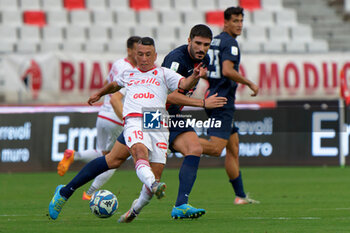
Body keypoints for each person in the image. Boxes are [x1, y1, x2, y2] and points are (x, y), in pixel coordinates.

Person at [48, 37, 208, 221]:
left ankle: (135, 209)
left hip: (156, 122)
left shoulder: (164, 73)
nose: (144, 58)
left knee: (113, 160)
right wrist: (99, 93)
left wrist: (195, 76)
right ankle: (66, 193)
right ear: (135, 54)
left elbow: (184, 85)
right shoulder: (129, 74)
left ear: (155, 55)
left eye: (148, 54)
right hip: (133, 119)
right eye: (140, 54)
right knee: (140, 154)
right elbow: (114, 85)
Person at [56, 36, 140, 200]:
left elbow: (107, 83)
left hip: (103, 115)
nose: (140, 55)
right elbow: (116, 97)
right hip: (116, 116)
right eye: (137, 51)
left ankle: (74, 154)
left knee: (103, 154)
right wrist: (127, 121)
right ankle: (89, 192)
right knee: (114, 159)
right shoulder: (129, 71)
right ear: (129, 50)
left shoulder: (117, 64)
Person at [198, 7, 260, 205]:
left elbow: (210, 71)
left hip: (214, 97)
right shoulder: (231, 43)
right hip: (222, 102)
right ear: (225, 22)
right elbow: (227, 70)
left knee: (233, 148)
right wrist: (249, 82)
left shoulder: (215, 41)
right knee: (216, 148)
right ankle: (171, 143)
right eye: (235, 21)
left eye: (241, 21)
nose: (239, 24)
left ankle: (240, 196)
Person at [161, 24, 213, 219]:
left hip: (172, 116)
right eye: (198, 43)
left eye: (206, 45)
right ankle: (65, 192)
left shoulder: (204, 60)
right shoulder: (176, 60)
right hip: (153, 114)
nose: (202, 48)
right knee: (114, 158)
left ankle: (181, 205)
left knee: (195, 148)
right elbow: (169, 97)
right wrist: (203, 103)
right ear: (189, 40)